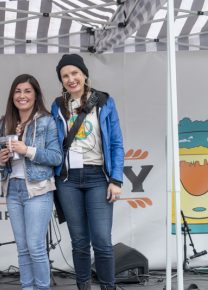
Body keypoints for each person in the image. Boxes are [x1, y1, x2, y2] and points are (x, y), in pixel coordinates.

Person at [51, 54, 124, 290]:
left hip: (97, 177)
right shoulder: (57, 105)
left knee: (102, 241)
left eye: (75, 73)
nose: (71, 79)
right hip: (68, 179)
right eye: (65, 76)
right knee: (79, 242)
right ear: (61, 81)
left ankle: (108, 287)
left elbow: (116, 143)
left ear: (84, 74)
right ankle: (83, 287)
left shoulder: (103, 101)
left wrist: (116, 179)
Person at [0, 74, 62, 290]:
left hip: (38, 190)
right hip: (13, 189)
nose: (22, 96)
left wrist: (28, 150)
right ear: (12, 95)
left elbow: (56, 157)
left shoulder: (47, 121)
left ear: (36, 95)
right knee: (22, 248)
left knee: (35, 246)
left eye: (27, 91)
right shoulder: (5, 122)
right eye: (18, 91)